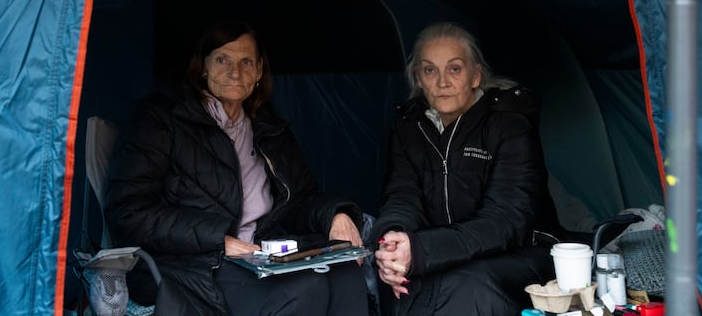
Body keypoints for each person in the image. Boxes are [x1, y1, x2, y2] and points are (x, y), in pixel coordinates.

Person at [103, 19, 371, 316]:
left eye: (246, 62)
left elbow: (300, 200)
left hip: (262, 256)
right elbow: (127, 212)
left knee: (346, 275)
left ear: (258, 72)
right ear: (202, 67)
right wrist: (219, 239)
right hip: (193, 264)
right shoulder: (161, 119)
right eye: (222, 60)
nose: (234, 71)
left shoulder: (268, 128)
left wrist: (336, 214)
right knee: (305, 290)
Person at [371, 22, 563, 316]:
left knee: (466, 286)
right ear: (418, 79)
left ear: (475, 77)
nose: (442, 82)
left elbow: (506, 219)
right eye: (429, 70)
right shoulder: (408, 128)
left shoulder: (508, 124)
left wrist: (422, 250)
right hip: (443, 252)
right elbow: (402, 194)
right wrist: (393, 243)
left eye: (455, 69)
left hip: (524, 251)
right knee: (398, 283)